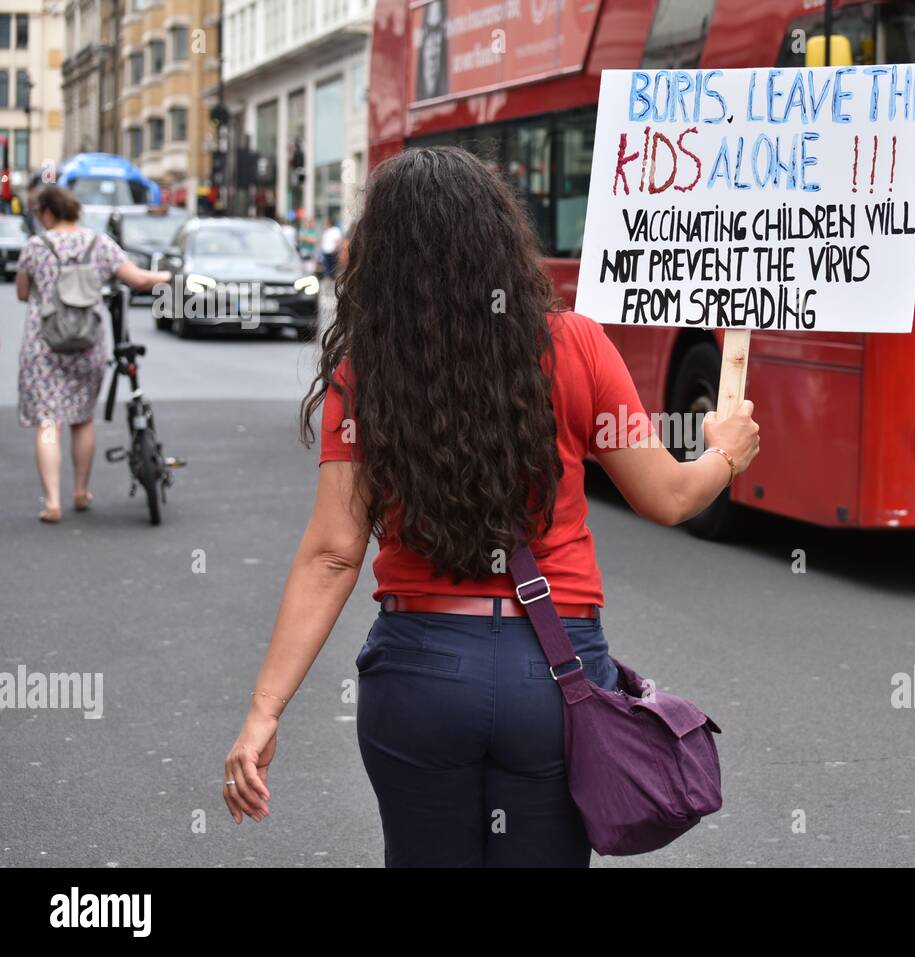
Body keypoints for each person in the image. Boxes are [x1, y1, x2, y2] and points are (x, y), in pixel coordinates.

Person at [221, 147, 760, 867]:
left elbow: (333, 553)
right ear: (501, 237)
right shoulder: (578, 346)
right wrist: (724, 451)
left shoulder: (366, 372)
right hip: (554, 671)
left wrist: (264, 711)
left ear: (382, 258)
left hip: (420, 673)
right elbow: (667, 496)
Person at [15, 185, 172, 523]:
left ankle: (52, 501)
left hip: (44, 343)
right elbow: (139, 280)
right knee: (82, 418)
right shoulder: (98, 243)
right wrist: (169, 276)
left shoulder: (34, 247)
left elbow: (23, 293)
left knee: (48, 420)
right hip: (87, 342)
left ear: (47, 213)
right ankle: (81, 491)